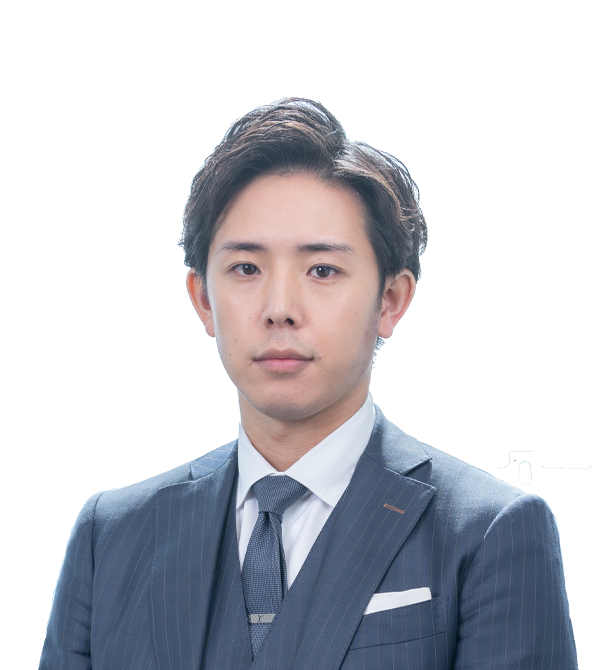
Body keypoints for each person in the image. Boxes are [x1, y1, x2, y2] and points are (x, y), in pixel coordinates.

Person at [39, 98, 577, 670]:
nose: (280, 309)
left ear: (390, 301)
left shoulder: (487, 531)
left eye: (322, 270)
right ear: (203, 301)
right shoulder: (112, 537)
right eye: (246, 268)